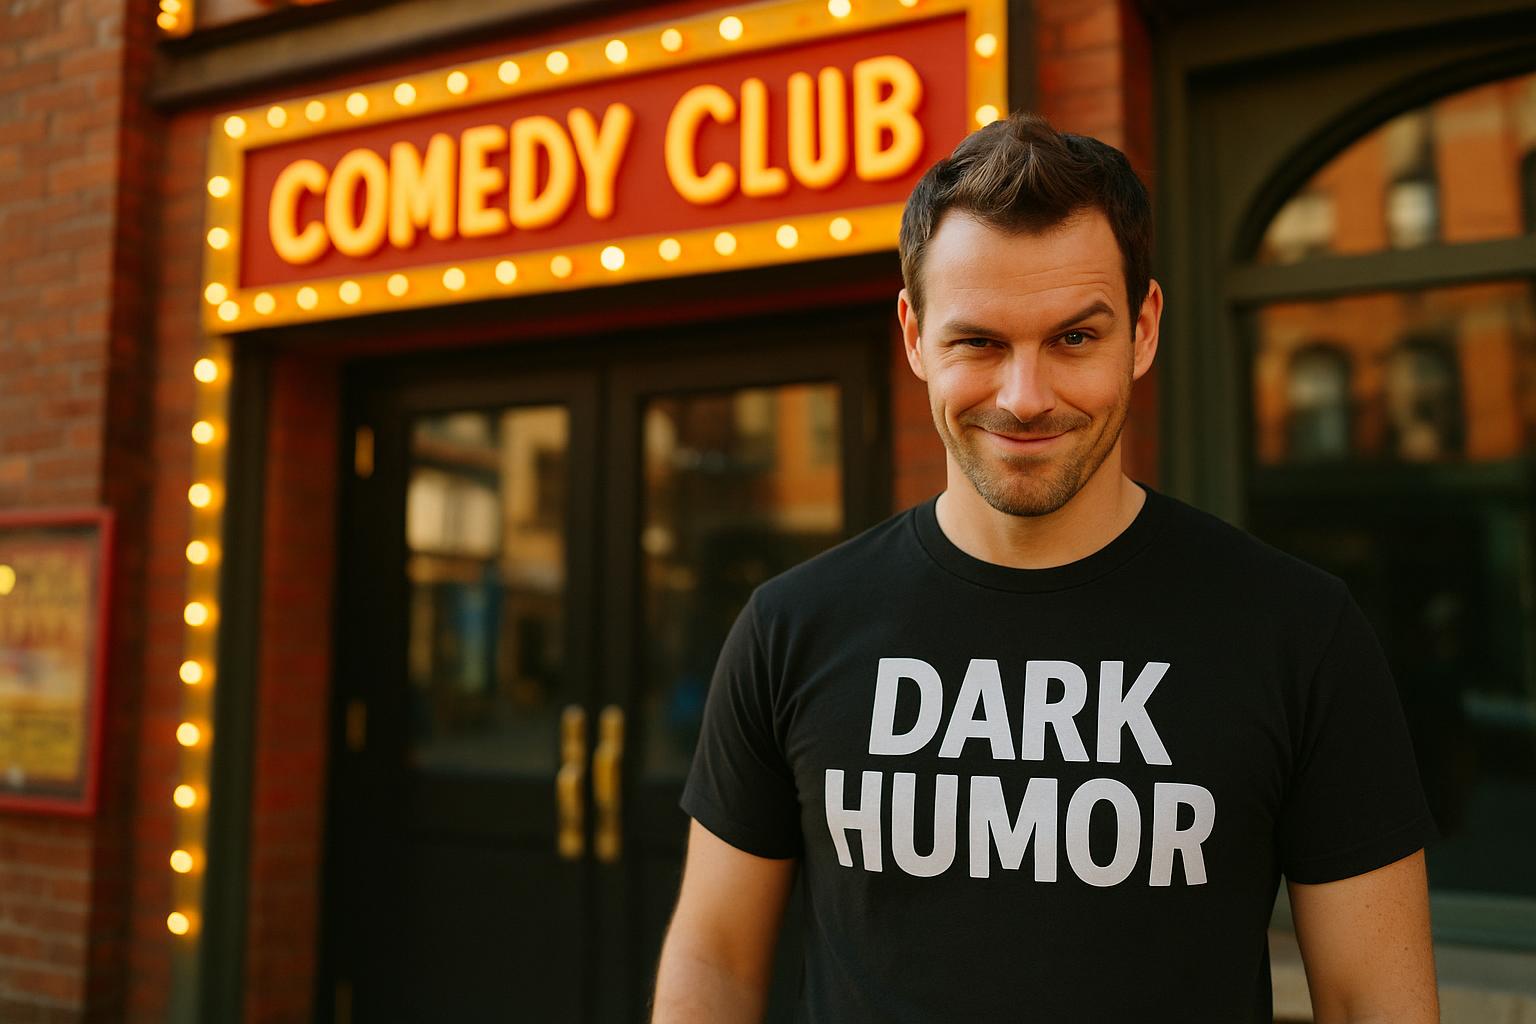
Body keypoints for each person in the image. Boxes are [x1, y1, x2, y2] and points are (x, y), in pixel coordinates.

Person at [650, 111, 1440, 1023]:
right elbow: (713, 963)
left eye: (1073, 338)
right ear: (914, 336)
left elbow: (1371, 1001)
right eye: (978, 342)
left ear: (1142, 331)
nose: (1025, 398)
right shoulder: (792, 628)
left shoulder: (1297, 631)